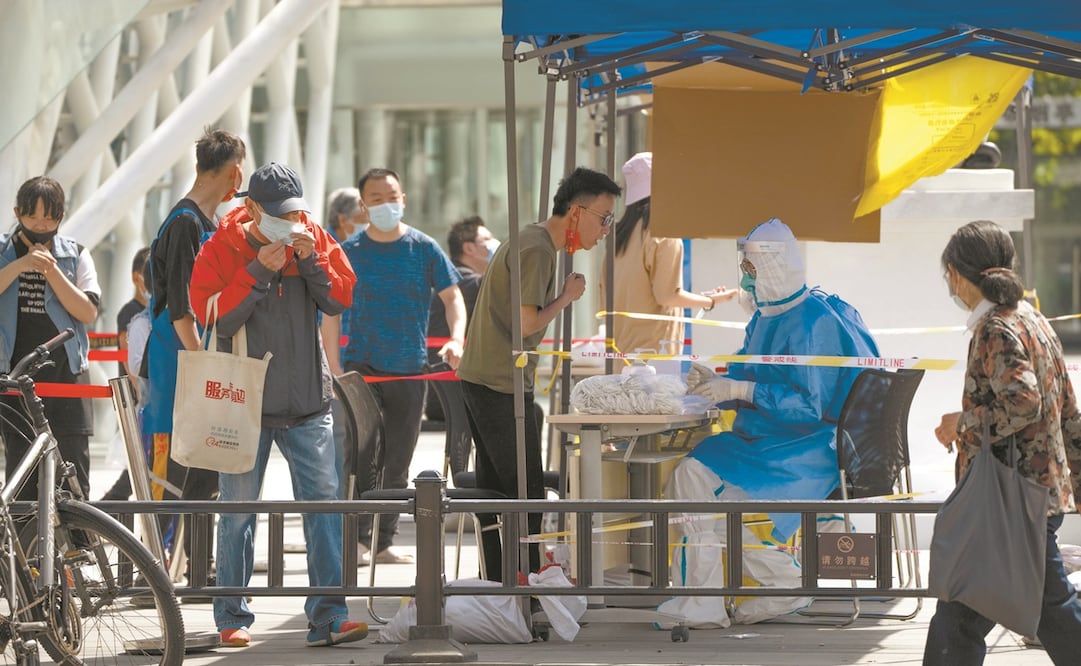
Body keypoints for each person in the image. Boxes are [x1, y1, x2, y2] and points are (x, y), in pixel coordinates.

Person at [661, 217, 880, 626]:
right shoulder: (766, 317)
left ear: (773, 267)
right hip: (766, 439)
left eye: (750, 271)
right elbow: (752, 371)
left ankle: (768, 587)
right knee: (691, 478)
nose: (745, 281)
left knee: (707, 493)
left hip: (808, 446)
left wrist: (739, 392)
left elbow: (809, 407)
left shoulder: (815, 321)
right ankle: (733, 593)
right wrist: (719, 381)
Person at [189, 161, 364, 648]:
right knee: (238, 512)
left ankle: (329, 616)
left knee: (324, 509)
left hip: (309, 402)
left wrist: (312, 261)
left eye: (294, 212)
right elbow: (216, 318)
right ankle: (231, 618)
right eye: (278, 215)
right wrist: (257, 272)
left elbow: (339, 300)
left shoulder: (314, 236)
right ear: (249, 208)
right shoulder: (219, 247)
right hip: (241, 406)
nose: (288, 223)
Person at [923, 220, 1081, 665]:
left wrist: (962, 423)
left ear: (955, 274)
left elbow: (1024, 402)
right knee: (970, 608)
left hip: (1011, 496)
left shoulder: (996, 328)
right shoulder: (1032, 318)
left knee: (1004, 605)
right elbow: (1066, 404)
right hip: (1031, 492)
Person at [457, 166, 622, 580]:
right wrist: (567, 296)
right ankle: (520, 585)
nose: (605, 229)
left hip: (490, 379)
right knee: (523, 495)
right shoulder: (537, 249)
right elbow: (525, 324)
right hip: (497, 383)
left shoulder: (533, 240)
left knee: (501, 492)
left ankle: (503, 582)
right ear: (576, 212)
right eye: (604, 218)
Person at [323, 167, 466, 565]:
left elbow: (453, 297)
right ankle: (356, 540)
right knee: (359, 459)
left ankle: (383, 542)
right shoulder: (349, 253)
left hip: (409, 369)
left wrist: (456, 338)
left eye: (392, 196)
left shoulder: (424, 248)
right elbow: (330, 312)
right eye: (376, 198)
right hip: (360, 373)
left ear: (403, 199)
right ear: (364, 205)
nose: (386, 204)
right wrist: (334, 367)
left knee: (398, 462)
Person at [143, 128, 246, 585]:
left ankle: (196, 572)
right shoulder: (185, 223)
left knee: (201, 471)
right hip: (176, 365)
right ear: (234, 173)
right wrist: (203, 361)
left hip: (191, 363)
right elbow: (180, 305)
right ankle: (149, 574)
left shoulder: (207, 223)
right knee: (166, 470)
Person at [0, 176, 100, 501]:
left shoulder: (76, 255)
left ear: (61, 216)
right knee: (21, 474)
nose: (41, 225)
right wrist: (22, 264)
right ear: (17, 213)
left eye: (50, 217)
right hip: (16, 378)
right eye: (32, 217)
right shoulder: (3, 251)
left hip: (67, 377)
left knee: (73, 476)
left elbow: (87, 312)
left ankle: (80, 550)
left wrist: (52, 271)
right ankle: (28, 552)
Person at [604, 152, 730, 354]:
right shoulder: (664, 235)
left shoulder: (618, 236)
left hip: (620, 353)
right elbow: (667, 296)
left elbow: (605, 296)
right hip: (654, 356)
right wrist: (711, 301)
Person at [424, 216, 497, 423]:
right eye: (488, 240)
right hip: (450, 396)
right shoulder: (471, 284)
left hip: (439, 393)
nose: (494, 244)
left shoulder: (451, 282)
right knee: (528, 412)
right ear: (469, 248)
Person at [100, 246, 152, 501]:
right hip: (137, 397)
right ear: (136, 278)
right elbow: (127, 355)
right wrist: (139, 391)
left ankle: (114, 499)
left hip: (145, 394)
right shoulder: (129, 312)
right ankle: (113, 501)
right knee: (140, 459)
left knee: (142, 459)